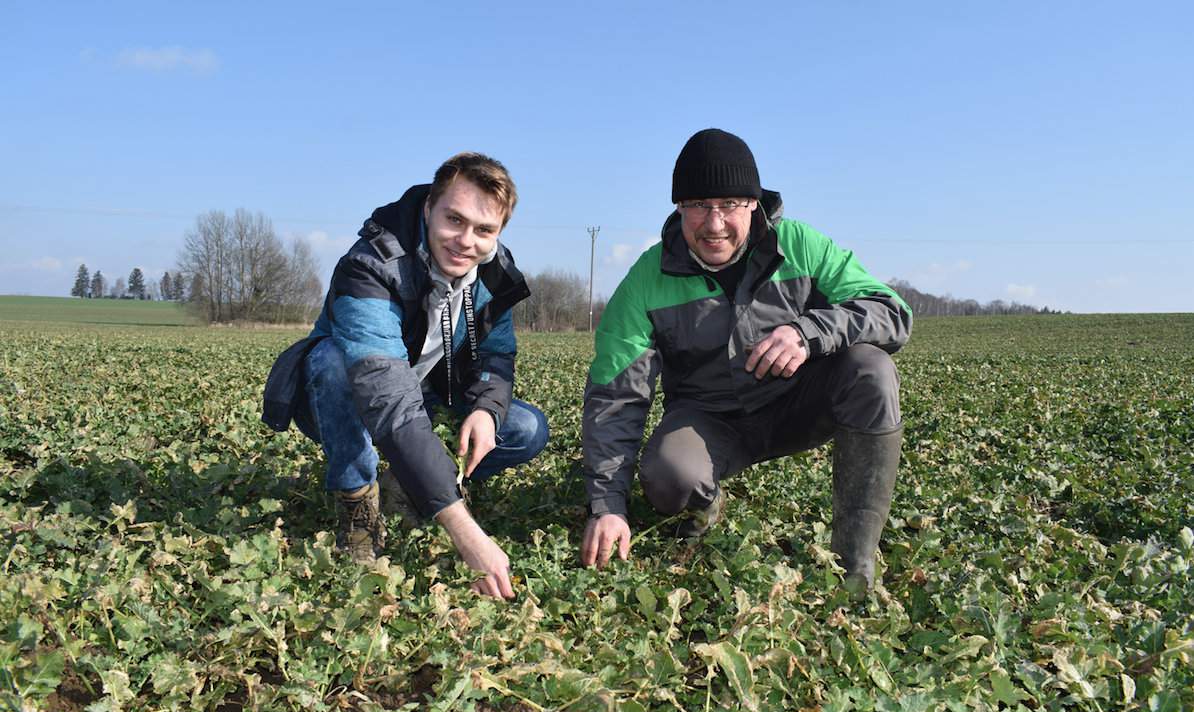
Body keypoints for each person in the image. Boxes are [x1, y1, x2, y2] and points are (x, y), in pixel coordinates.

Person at [580, 129, 911, 592]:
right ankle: (705, 503)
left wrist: (808, 331)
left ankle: (853, 566)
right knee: (669, 476)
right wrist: (607, 506)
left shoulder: (800, 245)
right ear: (678, 207)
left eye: (730, 204)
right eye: (697, 204)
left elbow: (890, 311)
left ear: (754, 203)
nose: (713, 223)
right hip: (711, 420)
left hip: (798, 403)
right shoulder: (646, 280)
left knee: (870, 370)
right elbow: (615, 396)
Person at [263, 152, 548, 599]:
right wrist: (464, 533)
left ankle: (410, 480)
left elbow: (496, 354)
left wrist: (488, 411)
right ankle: (358, 503)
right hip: (351, 398)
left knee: (524, 428)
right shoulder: (372, 264)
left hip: (430, 391)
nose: (466, 241)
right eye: (455, 219)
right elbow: (385, 395)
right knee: (333, 364)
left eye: (484, 230)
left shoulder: (494, 271)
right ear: (429, 207)